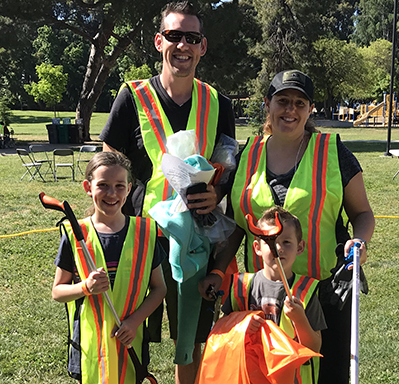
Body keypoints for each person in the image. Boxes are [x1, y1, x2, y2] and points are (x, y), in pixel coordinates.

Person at [205, 69, 375, 383]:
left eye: (300, 102)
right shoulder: (247, 155)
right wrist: (218, 270)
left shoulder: (334, 152)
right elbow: (238, 226)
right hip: (264, 295)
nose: (290, 109)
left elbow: (363, 213)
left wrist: (359, 244)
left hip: (326, 292)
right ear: (268, 104)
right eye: (283, 100)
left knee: (327, 374)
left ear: (310, 109)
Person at [98, 2, 235, 382]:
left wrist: (217, 193)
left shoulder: (218, 103)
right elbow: (108, 169)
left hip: (195, 243)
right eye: (174, 36)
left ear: (202, 47)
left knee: (189, 343)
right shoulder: (132, 97)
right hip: (138, 241)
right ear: (160, 41)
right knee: (127, 334)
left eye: (192, 38)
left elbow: (227, 168)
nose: (183, 45)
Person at [51, 151, 167, 383]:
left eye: (119, 186)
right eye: (103, 185)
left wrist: (135, 322)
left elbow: (159, 289)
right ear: (88, 186)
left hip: (129, 342)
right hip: (88, 345)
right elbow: (58, 292)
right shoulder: (76, 235)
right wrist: (85, 287)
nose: (112, 193)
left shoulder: (145, 233)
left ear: (130, 188)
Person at [222, 207, 327, 383]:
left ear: (300, 247)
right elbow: (222, 334)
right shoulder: (241, 288)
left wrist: (299, 319)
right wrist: (243, 324)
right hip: (249, 376)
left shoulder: (305, 291)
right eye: (270, 242)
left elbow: (313, 348)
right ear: (257, 248)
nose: (278, 248)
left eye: (286, 242)